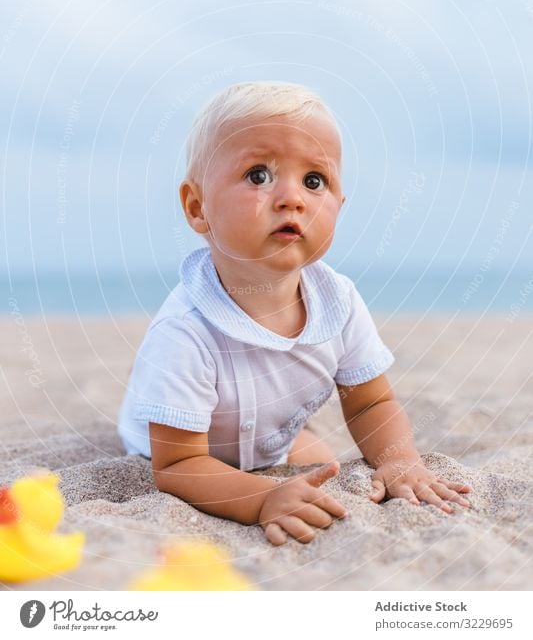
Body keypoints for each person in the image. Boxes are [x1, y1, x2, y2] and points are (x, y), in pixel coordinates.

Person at [118, 81, 471, 546]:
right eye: (259, 175)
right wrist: (263, 498)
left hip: (268, 439)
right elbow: (178, 466)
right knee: (280, 481)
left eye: (314, 181)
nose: (292, 198)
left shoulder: (338, 301)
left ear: (339, 206)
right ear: (198, 207)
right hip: (183, 446)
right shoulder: (185, 331)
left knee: (319, 469)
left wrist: (398, 459)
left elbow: (370, 401)